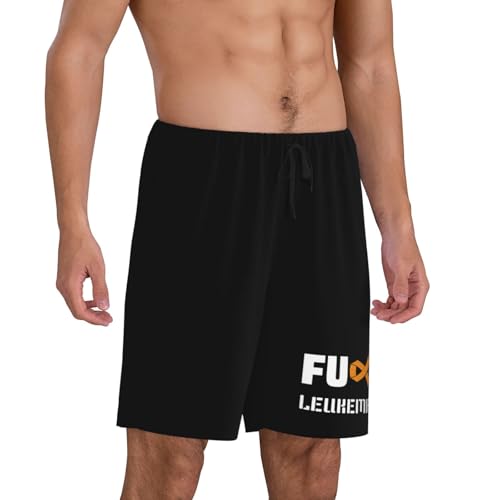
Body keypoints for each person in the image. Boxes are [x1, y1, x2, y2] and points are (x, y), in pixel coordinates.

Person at [45, 0, 429, 497]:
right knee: (171, 451)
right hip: (201, 182)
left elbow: (369, 64)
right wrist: (73, 223)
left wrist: (398, 225)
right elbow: (78, 50)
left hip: (323, 183)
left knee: (313, 451)